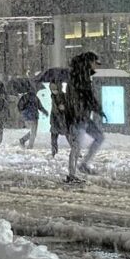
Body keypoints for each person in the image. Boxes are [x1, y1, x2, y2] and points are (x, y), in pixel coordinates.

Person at [65, 51, 106, 181]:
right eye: (95, 62)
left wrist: (96, 109)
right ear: (89, 62)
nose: (96, 65)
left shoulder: (82, 76)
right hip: (77, 116)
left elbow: (87, 97)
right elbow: (87, 97)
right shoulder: (80, 77)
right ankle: (72, 174)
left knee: (99, 137)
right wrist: (98, 109)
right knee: (76, 146)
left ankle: (83, 165)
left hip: (83, 116)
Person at [48, 82, 69, 157]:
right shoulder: (53, 96)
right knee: (53, 136)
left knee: (68, 136)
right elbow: (53, 109)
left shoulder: (63, 95)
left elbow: (69, 105)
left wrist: (64, 107)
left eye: (55, 89)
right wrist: (51, 120)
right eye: (52, 90)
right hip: (55, 119)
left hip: (62, 119)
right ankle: (54, 151)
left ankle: (76, 150)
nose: (54, 91)